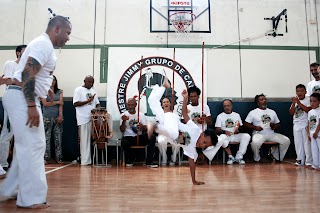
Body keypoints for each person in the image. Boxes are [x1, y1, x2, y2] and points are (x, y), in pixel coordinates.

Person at [0, 15, 72, 209]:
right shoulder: (44, 45)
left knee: (28, 146)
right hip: (23, 99)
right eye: (67, 33)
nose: (68, 38)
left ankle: (11, 190)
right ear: (57, 29)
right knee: (33, 147)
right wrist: (32, 105)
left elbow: (34, 73)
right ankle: (30, 198)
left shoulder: (42, 44)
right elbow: (27, 74)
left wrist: (45, 87)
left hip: (20, 96)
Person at [148, 77, 226, 184]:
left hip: (165, 126)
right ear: (202, 134)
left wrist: (194, 181)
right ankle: (155, 127)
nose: (202, 145)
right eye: (204, 142)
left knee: (151, 101)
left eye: (205, 146)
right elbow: (184, 114)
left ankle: (163, 86)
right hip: (171, 120)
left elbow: (192, 164)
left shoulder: (192, 150)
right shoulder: (195, 130)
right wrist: (185, 98)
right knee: (174, 134)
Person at [0, 45, 26, 171]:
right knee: (8, 131)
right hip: (13, 96)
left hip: (24, 98)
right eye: (24, 51)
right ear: (18, 52)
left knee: (22, 133)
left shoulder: (27, 68)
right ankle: (3, 163)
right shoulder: (11, 64)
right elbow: (8, 81)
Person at [244, 94, 290, 162]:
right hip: (259, 133)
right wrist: (255, 127)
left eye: (265, 99)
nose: (264, 101)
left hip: (271, 133)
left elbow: (278, 124)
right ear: (258, 102)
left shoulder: (272, 112)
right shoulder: (253, 112)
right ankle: (257, 158)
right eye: (261, 100)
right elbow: (246, 124)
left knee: (286, 141)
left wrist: (274, 126)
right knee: (255, 143)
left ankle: (274, 155)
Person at [120, 98, 158, 168]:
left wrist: (142, 126)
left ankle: (149, 161)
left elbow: (146, 128)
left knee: (152, 137)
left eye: (132, 105)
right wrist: (124, 121)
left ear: (136, 105)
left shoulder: (141, 115)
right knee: (124, 142)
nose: (130, 107)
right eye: (129, 105)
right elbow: (122, 130)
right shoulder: (124, 115)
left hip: (139, 137)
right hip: (128, 137)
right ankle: (130, 159)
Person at [73, 75, 100, 166]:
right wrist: (88, 101)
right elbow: (76, 103)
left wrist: (99, 110)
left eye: (92, 82)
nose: (91, 84)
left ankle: (91, 160)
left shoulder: (93, 91)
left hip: (92, 118)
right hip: (83, 118)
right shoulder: (78, 90)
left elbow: (97, 104)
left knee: (93, 140)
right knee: (84, 141)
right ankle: (85, 161)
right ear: (84, 81)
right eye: (89, 82)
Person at [215, 99, 251, 165]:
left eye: (228, 106)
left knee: (246, 136)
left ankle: (239, 157)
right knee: (221, 138)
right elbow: (217, 129)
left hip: (235, 135)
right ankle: (230, 156)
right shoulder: (220, 116)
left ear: (231, 106)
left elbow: (241, 127)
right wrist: (224, 131)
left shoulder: (236, 115)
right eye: (225, 106)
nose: (226, 108)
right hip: (226, 135)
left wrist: (238, 130)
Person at [184, 86, 212, 164]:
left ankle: (204, 154)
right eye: (191, 97)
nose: (193, 98)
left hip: (204, 133)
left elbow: (210, 122)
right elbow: (183, 122)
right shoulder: (187, 108)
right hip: (192, 134)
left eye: (195, 96)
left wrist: (205, 118)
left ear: (198, 96)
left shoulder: (205, 107)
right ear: (189, 97)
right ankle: (199, 154)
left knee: (217, 141)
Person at [41, 75, 64, 164]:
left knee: (58, 137)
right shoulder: (43, 91)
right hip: (46, 117)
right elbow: (45, 104)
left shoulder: (59, 91)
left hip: (57, 116)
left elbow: (61, 104)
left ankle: (59, 157)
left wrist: (60, 115)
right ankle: (46, 158)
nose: (52, 82)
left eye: (54, 80)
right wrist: (57, 102)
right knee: (46, 137)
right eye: (50, 80)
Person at [289, 84, 312, 166]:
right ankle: (300, 159)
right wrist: (293, 104)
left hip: (305, 122)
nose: (300, 93)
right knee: (298, 142)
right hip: (296, 123)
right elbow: (291, 112)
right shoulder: (295, 101)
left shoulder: (308, 99)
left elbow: (308, 110)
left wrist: (299, 103)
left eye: (302, 91)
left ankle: (309, 161)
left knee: (306, 143)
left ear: (305, 92)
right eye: (298, 91)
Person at [307, 93, 320, 170]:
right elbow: (309, 123)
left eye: (314, 101)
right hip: (312, 133)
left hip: (318, 133)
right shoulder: (310, 112)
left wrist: (316, 132)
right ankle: (315, 164)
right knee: (314, 149)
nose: (312, 103)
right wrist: (309, 133)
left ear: (319, 102)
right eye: (311, 101)